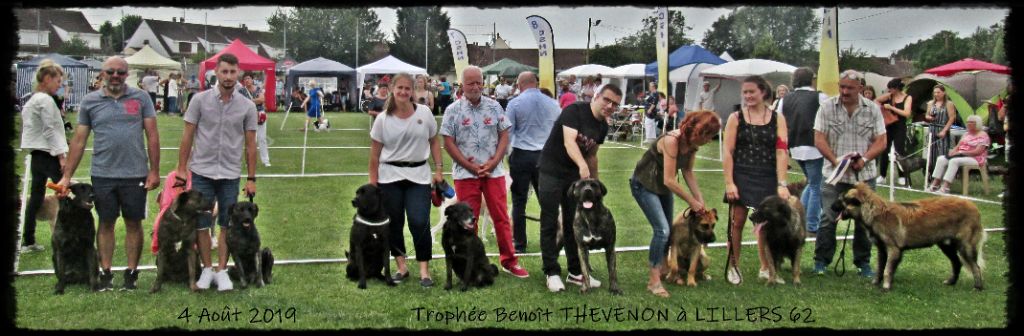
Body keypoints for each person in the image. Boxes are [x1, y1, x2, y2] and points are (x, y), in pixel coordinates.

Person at [57, 56, 161, 291]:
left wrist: (154, 171)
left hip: (135, 174)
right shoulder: (90, 102)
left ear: (127, 75)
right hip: (103, 174)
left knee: (133, 223)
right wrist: (66, 176)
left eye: (121, 72)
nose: (116, 76)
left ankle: (132, 273)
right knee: (106, 223)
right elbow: (79, 140)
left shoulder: (141, 97)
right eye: (111, 72)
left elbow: (152, 135)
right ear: (102, 74)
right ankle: (106, 272)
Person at [174, 53, 258, 292]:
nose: (229, 77)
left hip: (230, 173)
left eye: (233, 72)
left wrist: (251, 178)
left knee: (226, 224)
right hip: (202, 171)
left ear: (238, 73)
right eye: (224, 72)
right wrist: (181, 169)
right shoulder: (199, 100)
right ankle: (206, 269)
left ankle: (222, 271)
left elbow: (251, 144)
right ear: (216, 73)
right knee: (201, 223)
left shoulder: (247, 106)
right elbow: (188, 136)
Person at [440, 66, 530, 279]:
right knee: (468, 220)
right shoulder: (452, 110)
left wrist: (493, 162)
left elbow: (504, 136)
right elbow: (448, 142)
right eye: (470, 83)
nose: (475, 86)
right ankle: (470, 263)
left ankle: (509, 261)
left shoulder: (495, 106)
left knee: (501, 217)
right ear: (462, 85)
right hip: (465, 173)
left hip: (494, 172)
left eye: (478, 82)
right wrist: (469, 166)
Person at [537, 83, 622, 292]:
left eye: (615, 104)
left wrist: (596, 185)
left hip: (573, 175)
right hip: (550, 170)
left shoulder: (603, 126)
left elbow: (592, 155)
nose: (610, 106)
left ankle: (576, 272)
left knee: (572, 223)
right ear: (596, 96)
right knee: (549, 220)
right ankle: (552, 272)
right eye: (607, 100)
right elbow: (569, 142)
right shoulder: (574, 111)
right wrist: (582, 166)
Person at [630, 111, 721, 297]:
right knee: (662, 230)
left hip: (662, 188)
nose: (710, 140)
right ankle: (654, 282)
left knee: (668, 232)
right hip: (644, 184)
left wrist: (699, 198)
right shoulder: (672, 141)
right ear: (699, 131)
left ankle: (665, 270)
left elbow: (687, 170)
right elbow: (670, 180)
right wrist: (691, 201)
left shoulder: (693, 145)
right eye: (709, 135)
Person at [368, 73, 445, 287]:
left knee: (419, 221)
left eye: (407, 88)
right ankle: (401, 267)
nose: (403, 92)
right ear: (393, 89)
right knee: (393, 224)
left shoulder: (425, 113)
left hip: (419, 176)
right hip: (389, 177)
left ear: (412, 91)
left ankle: (424, 271)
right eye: (399, 88)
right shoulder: (383, 119)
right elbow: (374, 156)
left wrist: (439, 169)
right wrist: (373, 184)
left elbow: (434, 142)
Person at [812, 69, 887, 278]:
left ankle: (863, 262)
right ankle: (821, 260)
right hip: (834, 175)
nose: (845, 91)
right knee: (828, 217)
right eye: (842, 87)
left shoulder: (873, 109)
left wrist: (864, 159)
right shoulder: (826, 107)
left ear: (861, 88)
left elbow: (881, 140)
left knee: (865, 221)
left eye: (850, 88)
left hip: (864, 177)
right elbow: (819, 138)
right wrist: (837, 162)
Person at [721, 75, 791, 285]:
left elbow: (781, 151)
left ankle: (767, 267)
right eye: (745, 92)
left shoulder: (778, 118)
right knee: (737, 221)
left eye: (752, 91)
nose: (748, 96)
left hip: (768, 175)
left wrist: (782, 184)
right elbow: (728, 151)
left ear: (763, 92)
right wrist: (729, 182)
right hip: (741, 173)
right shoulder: (736, 117)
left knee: (767, 224)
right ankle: (733, 266)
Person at [505, 71, 560, 254]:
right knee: (547, 201)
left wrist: (507, 155)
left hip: (521, 155)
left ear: (519, 85)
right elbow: (558, 132)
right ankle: (549, 241)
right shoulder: (553, 103)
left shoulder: (514, 103)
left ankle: (520, 243)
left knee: (519, 201)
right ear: (536, 83)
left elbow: (508, 132)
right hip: (546, 156)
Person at [19, 59, 68, 253]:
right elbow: (50, 130)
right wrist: (61, 156)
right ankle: (69, 234)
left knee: (36, 197)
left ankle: (28, 240)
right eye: (58, 81)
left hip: (36, 155)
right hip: (48, 154)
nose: (60, 85)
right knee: (68, 191)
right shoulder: (45, 100)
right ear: (47, 79)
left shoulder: (32, 99)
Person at [778, 67, 829, 235]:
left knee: (811, 182)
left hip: (794, 147)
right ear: (811, 80)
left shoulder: (784, 100)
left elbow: (779, 122)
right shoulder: (819, 96)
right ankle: (812, 225)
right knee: (816, 186)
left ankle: (800, 215)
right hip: (814, 146)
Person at [927, 115, 989, 193]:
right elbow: (958, 146)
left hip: (975, 158)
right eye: (968, 122)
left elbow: (978, 151)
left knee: (954, 161)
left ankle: (946, 187)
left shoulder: (983, 135)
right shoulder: (966, 134)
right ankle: (935, 183)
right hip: (960, 155)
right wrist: (953, 152)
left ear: (978, 123)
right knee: (941, 159)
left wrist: (962, 152)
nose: (969, 124)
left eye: (971, 122)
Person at [875, 79, 913, 186]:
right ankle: (882, 175)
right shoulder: (889, 96)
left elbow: (906, 113)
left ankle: (902, 176)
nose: (889, 90)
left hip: (900, 126)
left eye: (891, 88)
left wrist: (891, 107)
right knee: (884, 149)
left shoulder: (907, 97)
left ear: (896, 88)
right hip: (888, 125)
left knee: (899, 150)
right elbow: (875, 101)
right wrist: (882, 105)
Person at [926, 84, 957, 176]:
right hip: (932, 128)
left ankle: (941, 175)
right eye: (935, 92)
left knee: (942, 152)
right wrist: (929, 117)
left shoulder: (949, 104)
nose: (936, 94)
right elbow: (927, 115)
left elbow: (952, 118)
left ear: (943, 93)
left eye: (938, 92)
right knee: (931, 152)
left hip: (942, 128)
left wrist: (944, 130)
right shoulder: (931, 103)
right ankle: (931, 174)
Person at [240, 74, 270, 167]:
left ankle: (265, 160)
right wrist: (256, 100)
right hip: (248, 116)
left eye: (248, 78)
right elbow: (240, 102)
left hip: (260, 115)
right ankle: (249, 161)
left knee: (262, 139)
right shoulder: (241, 91)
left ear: (252, 80)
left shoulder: (258, 89)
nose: (247, 80)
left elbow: (262, 99)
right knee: (250, 140)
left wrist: (250, 101)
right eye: (245, 79)